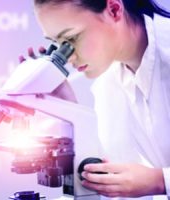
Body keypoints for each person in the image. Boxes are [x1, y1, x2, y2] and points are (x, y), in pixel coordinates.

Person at [28, 0, 170, 199]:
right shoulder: (109, 80)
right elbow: (111, 173)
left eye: (71, 39)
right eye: (58, 45)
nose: (67, 57)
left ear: (113, 9)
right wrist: (68, 108)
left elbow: (152, 180)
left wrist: (160, 181)